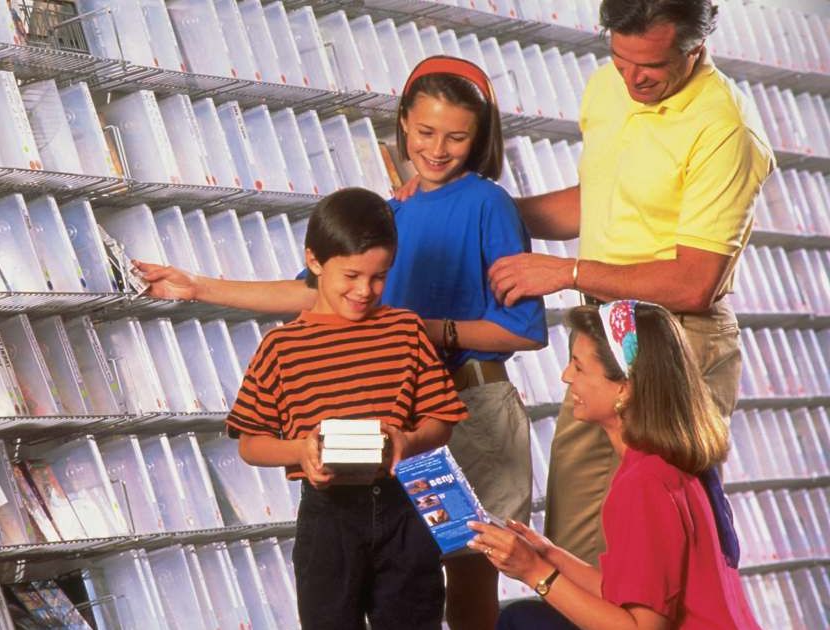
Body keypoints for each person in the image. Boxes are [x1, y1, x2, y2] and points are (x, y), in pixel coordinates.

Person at [136, 55, 546, 629]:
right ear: (402, 123)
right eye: (425, 132)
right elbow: (315, 294)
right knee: (405, 569)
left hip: (466, 404)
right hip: (390, 411)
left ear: (480, 138)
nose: (436, 148)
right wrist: (198, 285)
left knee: (469, 563)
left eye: (456, 136)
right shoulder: (390, 210)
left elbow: (525, 329)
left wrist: (421, 328)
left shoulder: (487, 203)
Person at [394, 0, 774, 564]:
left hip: (678, 337)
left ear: (695, 48)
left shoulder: (725, 129)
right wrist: (463, 206)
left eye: (650, 66)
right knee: (570, 540)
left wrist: (566, 272)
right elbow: (595, 203)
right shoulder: (608, 88)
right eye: (619, 59)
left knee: (668, 537)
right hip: (602, 333)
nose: (632, 78)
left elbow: (695, 282)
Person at [225, 187, 467, 628]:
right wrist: (301, 451)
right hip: (327, 516)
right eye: (351, 276)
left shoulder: (406, 329)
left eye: (379, 277)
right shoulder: (281, 347)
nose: (365, 290)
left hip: (406, 507)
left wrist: (408, 439)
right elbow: (251, 443)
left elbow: (441, 419)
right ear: (314, 262)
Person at [467, 300, 760, 630]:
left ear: (624, 388)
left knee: (523, 622)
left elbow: (641, 628)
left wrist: (534, 572)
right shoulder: (671, 462)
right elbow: (631, 593)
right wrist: (548, 555)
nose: (565, 377)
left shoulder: (644, 484)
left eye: (578, 367)